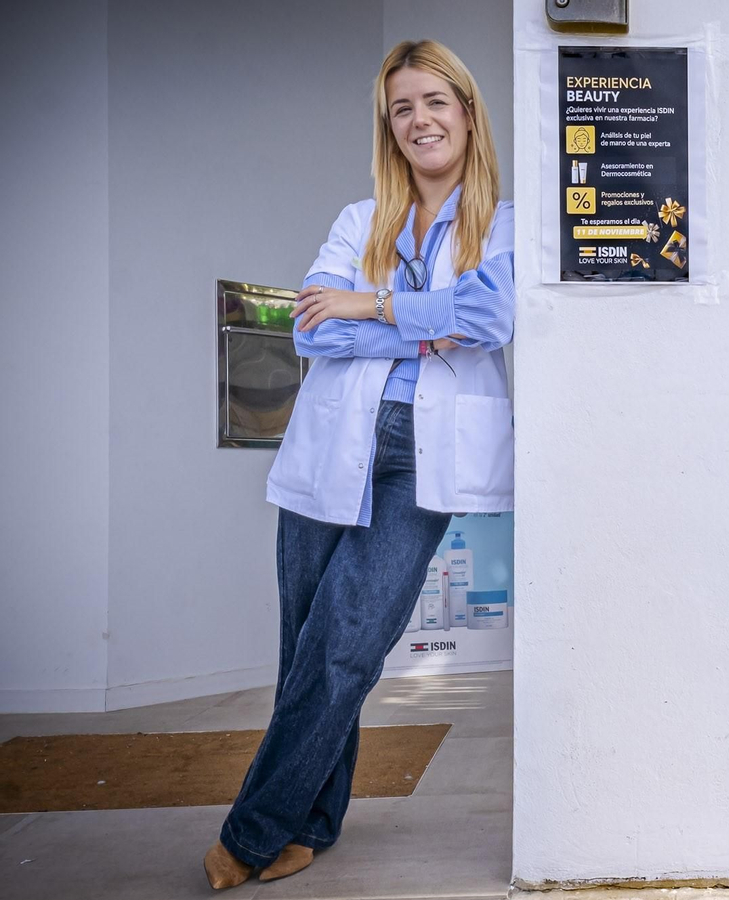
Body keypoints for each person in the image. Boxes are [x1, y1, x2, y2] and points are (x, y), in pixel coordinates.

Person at [202, 40, 514, 890]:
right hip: (335, 443)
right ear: (390, 126)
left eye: (435, 102)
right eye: (403, 108)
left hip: (424, 459)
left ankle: (252, 833)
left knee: (346, 644)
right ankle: (314, 823)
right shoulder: (359, 218)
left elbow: (488, 318)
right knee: (306, 646)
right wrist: (423, 319)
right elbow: (311, 328)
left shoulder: (505, 225)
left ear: (467, 112)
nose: (420, 120)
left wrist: (371, 302)